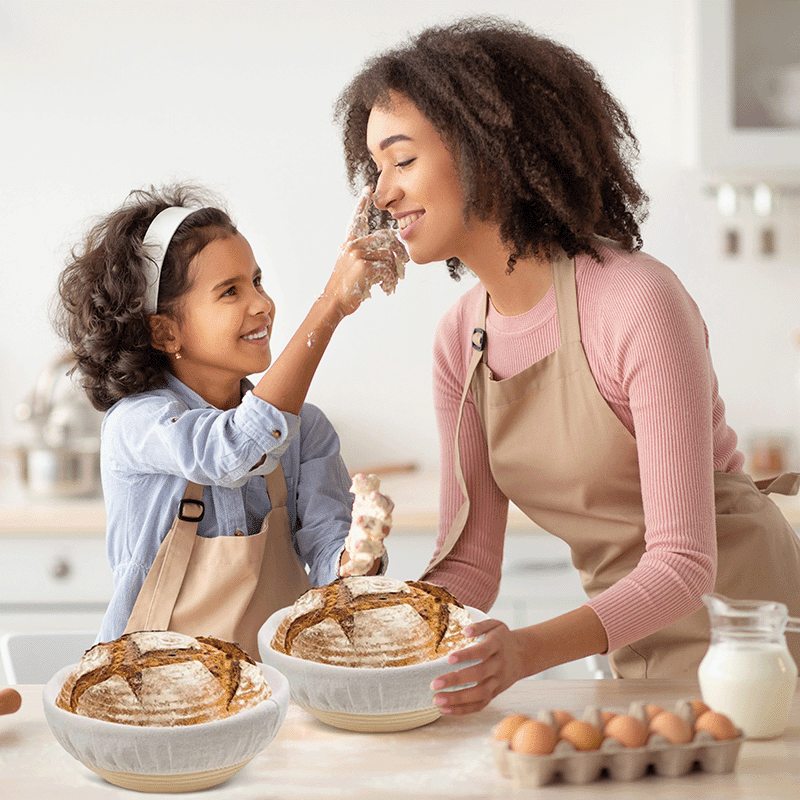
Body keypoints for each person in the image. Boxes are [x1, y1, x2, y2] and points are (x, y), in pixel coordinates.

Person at [335, 17, 800, 712]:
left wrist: (522, 652)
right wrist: (370, 630)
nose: (381, 193)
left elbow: (681, 564)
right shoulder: (460, 339)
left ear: (483, 149)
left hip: (755, 646)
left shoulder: (637, 301)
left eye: (401, 161)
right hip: (632, 642)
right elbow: (469, 563)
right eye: (375, 169)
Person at [54, 183, 405, 659]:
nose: (261, 303)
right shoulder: (139, 425)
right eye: (230, 292)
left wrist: (355, 558)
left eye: (257, 281)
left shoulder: (308, 431)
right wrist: (330, 306)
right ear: (166, 330)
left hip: (275, 693)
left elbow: (328, 562)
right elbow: (231, 452)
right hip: (150, 692)